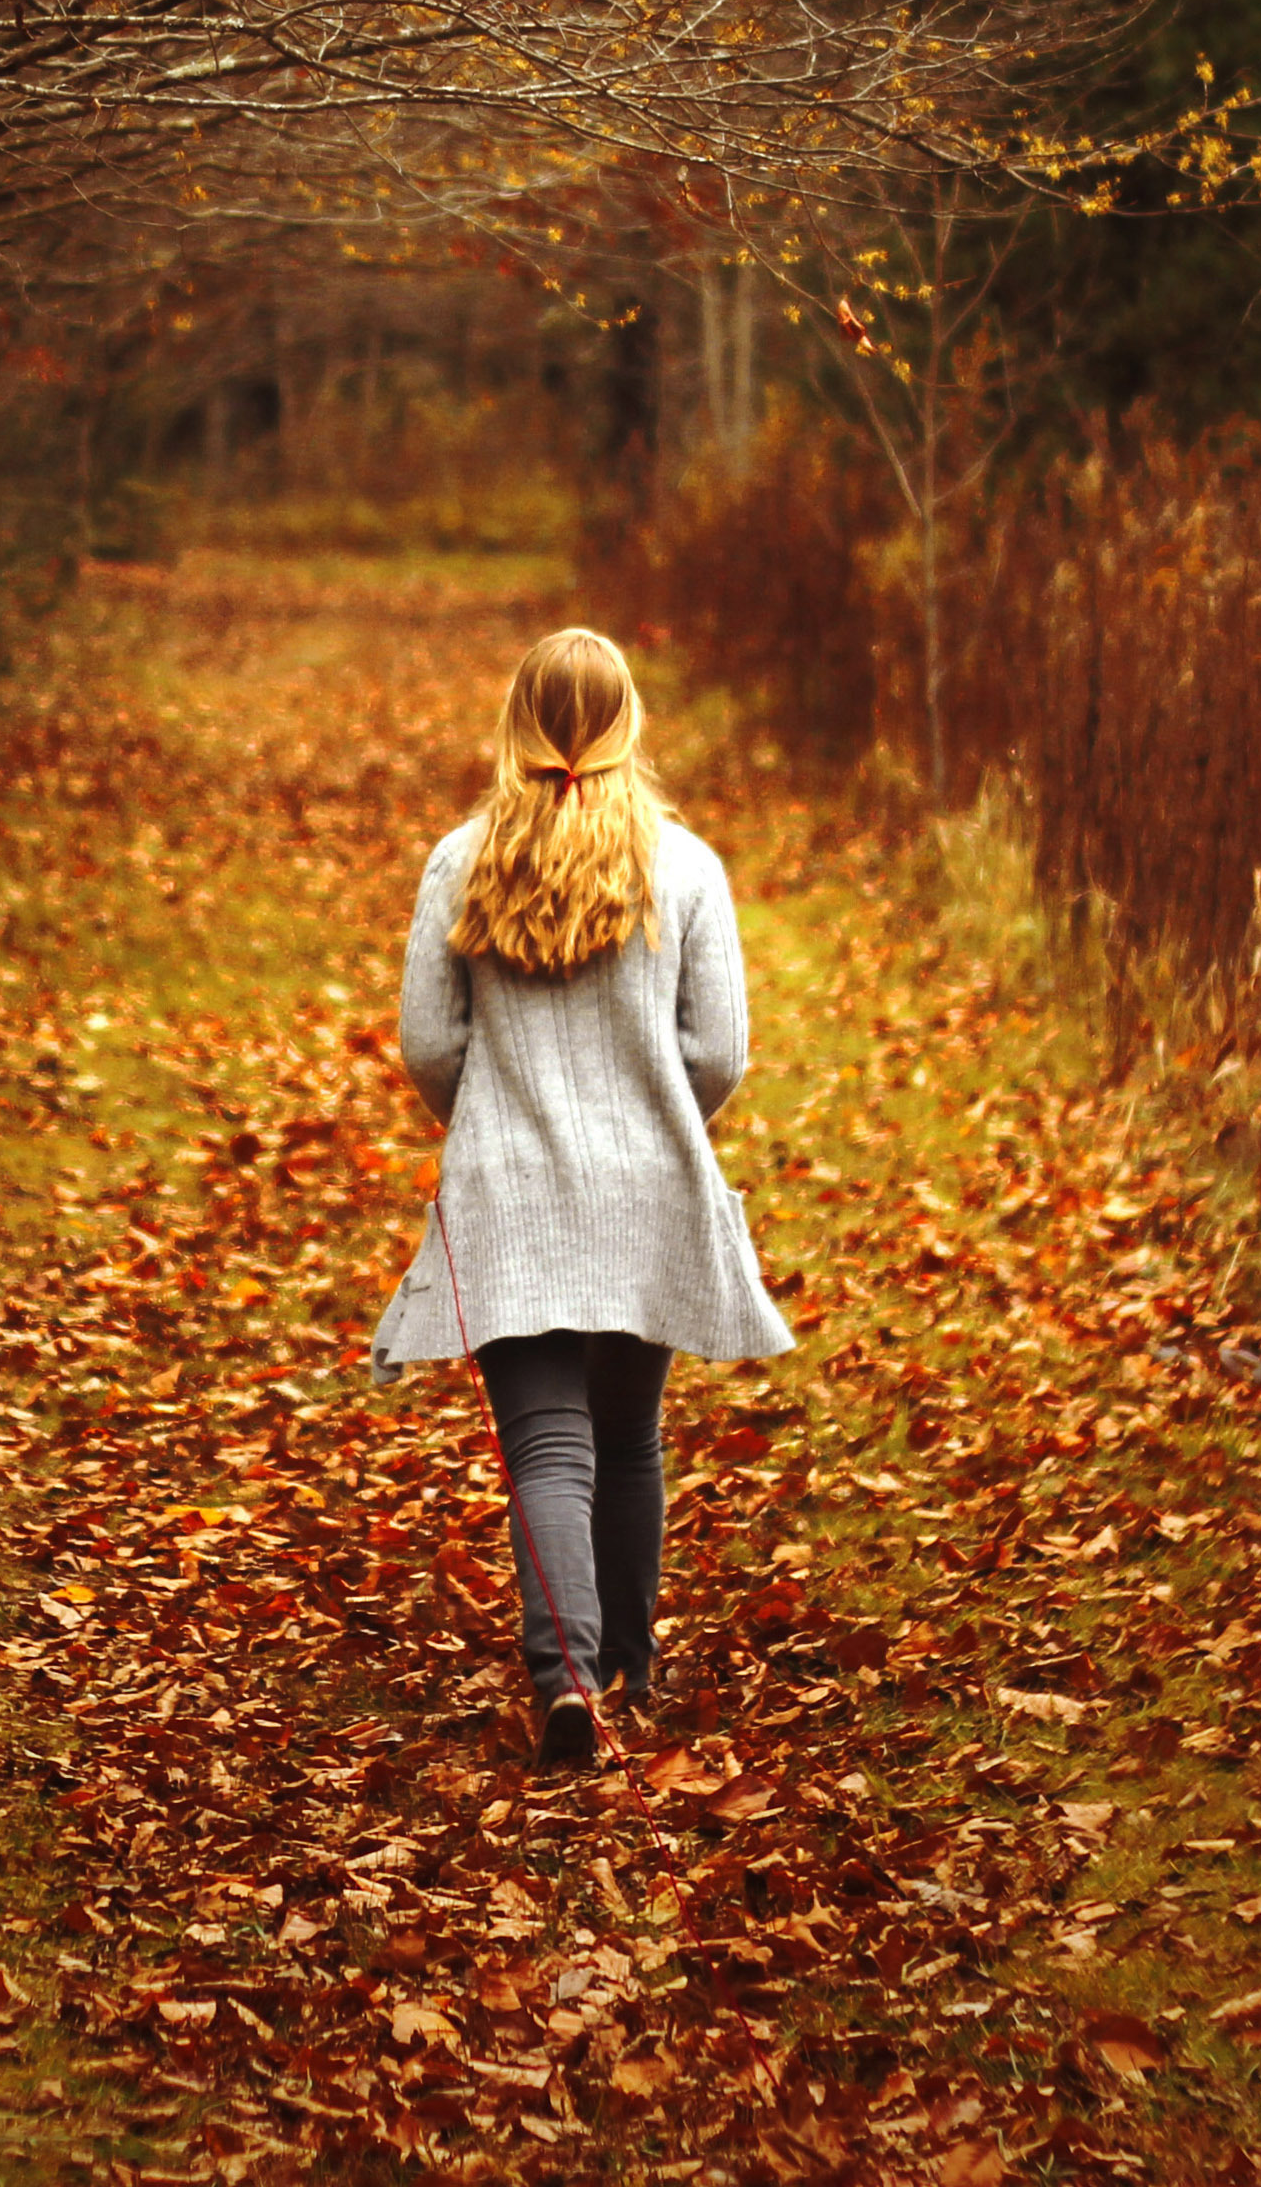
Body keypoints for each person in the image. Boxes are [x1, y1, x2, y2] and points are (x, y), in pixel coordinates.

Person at [373, 626, 791, 1771]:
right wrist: (653, 1114)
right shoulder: (688, 866)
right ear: (629, 722)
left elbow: (426, 1041)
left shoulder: (462, 862)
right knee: (629, 1437)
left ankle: (566, 1681)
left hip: (511, 1195)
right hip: (646, 1189)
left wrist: (495, 1116)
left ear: (516, 722)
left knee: (548, 1447)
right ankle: (627, 1670)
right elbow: (721, 1050)